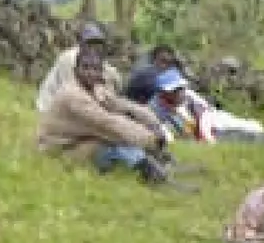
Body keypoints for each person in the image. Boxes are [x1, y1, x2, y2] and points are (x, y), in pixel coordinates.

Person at [35, 41, 179, 185]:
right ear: (75, 70)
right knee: (114, 137)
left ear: (101, 72)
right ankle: (148, 170)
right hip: (58, 151)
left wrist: (153, 123)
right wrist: (151, 139)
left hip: (77, 140)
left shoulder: (95, 89)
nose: (91, 73)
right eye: (86, 67)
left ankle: (152, 164)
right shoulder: (74, 95)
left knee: (123, 126)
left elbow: (123, 104)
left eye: (95, 69)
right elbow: (107, 123)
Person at [36, 21, 116, 114]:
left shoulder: (102, 64)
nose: (93, 47)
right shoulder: (68, 59)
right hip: (51, 103)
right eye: (89, 43)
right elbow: (71, 89)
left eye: (97, 43)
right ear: (81, 44)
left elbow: (110, 83)